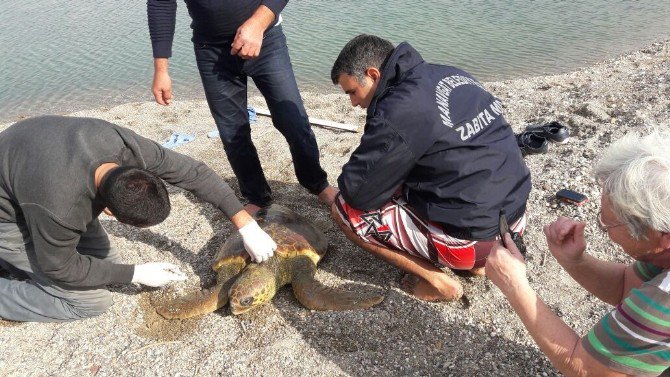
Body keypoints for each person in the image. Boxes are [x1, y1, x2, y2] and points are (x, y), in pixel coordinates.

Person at [0, 115, 278, 322]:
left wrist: (247, 225)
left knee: (105, 267)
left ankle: (14, 262)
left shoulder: (124, 147)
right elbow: (59, 267)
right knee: (92, 302)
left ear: (140, 172)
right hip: (9, 215)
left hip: (26, 158)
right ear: (108, 211)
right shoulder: (62, 208)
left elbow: (195, 173)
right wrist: (136, 273)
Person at [329, 34, 531, 301]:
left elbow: (357, 191)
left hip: (471, 242)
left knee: (344, 209)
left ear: (373, 74)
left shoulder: (397, 109)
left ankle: (436, 280)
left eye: (352, 92)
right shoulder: (450, 73)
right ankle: (479, 266)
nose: (353, 102)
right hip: (515, 221)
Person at [486, 131, 670, 376]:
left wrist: (515, 287)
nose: (602, 227)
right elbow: (627, 286)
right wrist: (575, 261)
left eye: (608, 225)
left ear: (662, 235)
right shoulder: (661, 254)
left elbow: (582, 367)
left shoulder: (661, 302)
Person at [146, 0, 337, 215]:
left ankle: (317, 183)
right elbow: (160, 4)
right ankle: (257, 196)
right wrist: (161, 69)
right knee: (233, 132)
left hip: (266, 38)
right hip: (211, 50)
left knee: (293, 120)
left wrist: (257, 23)